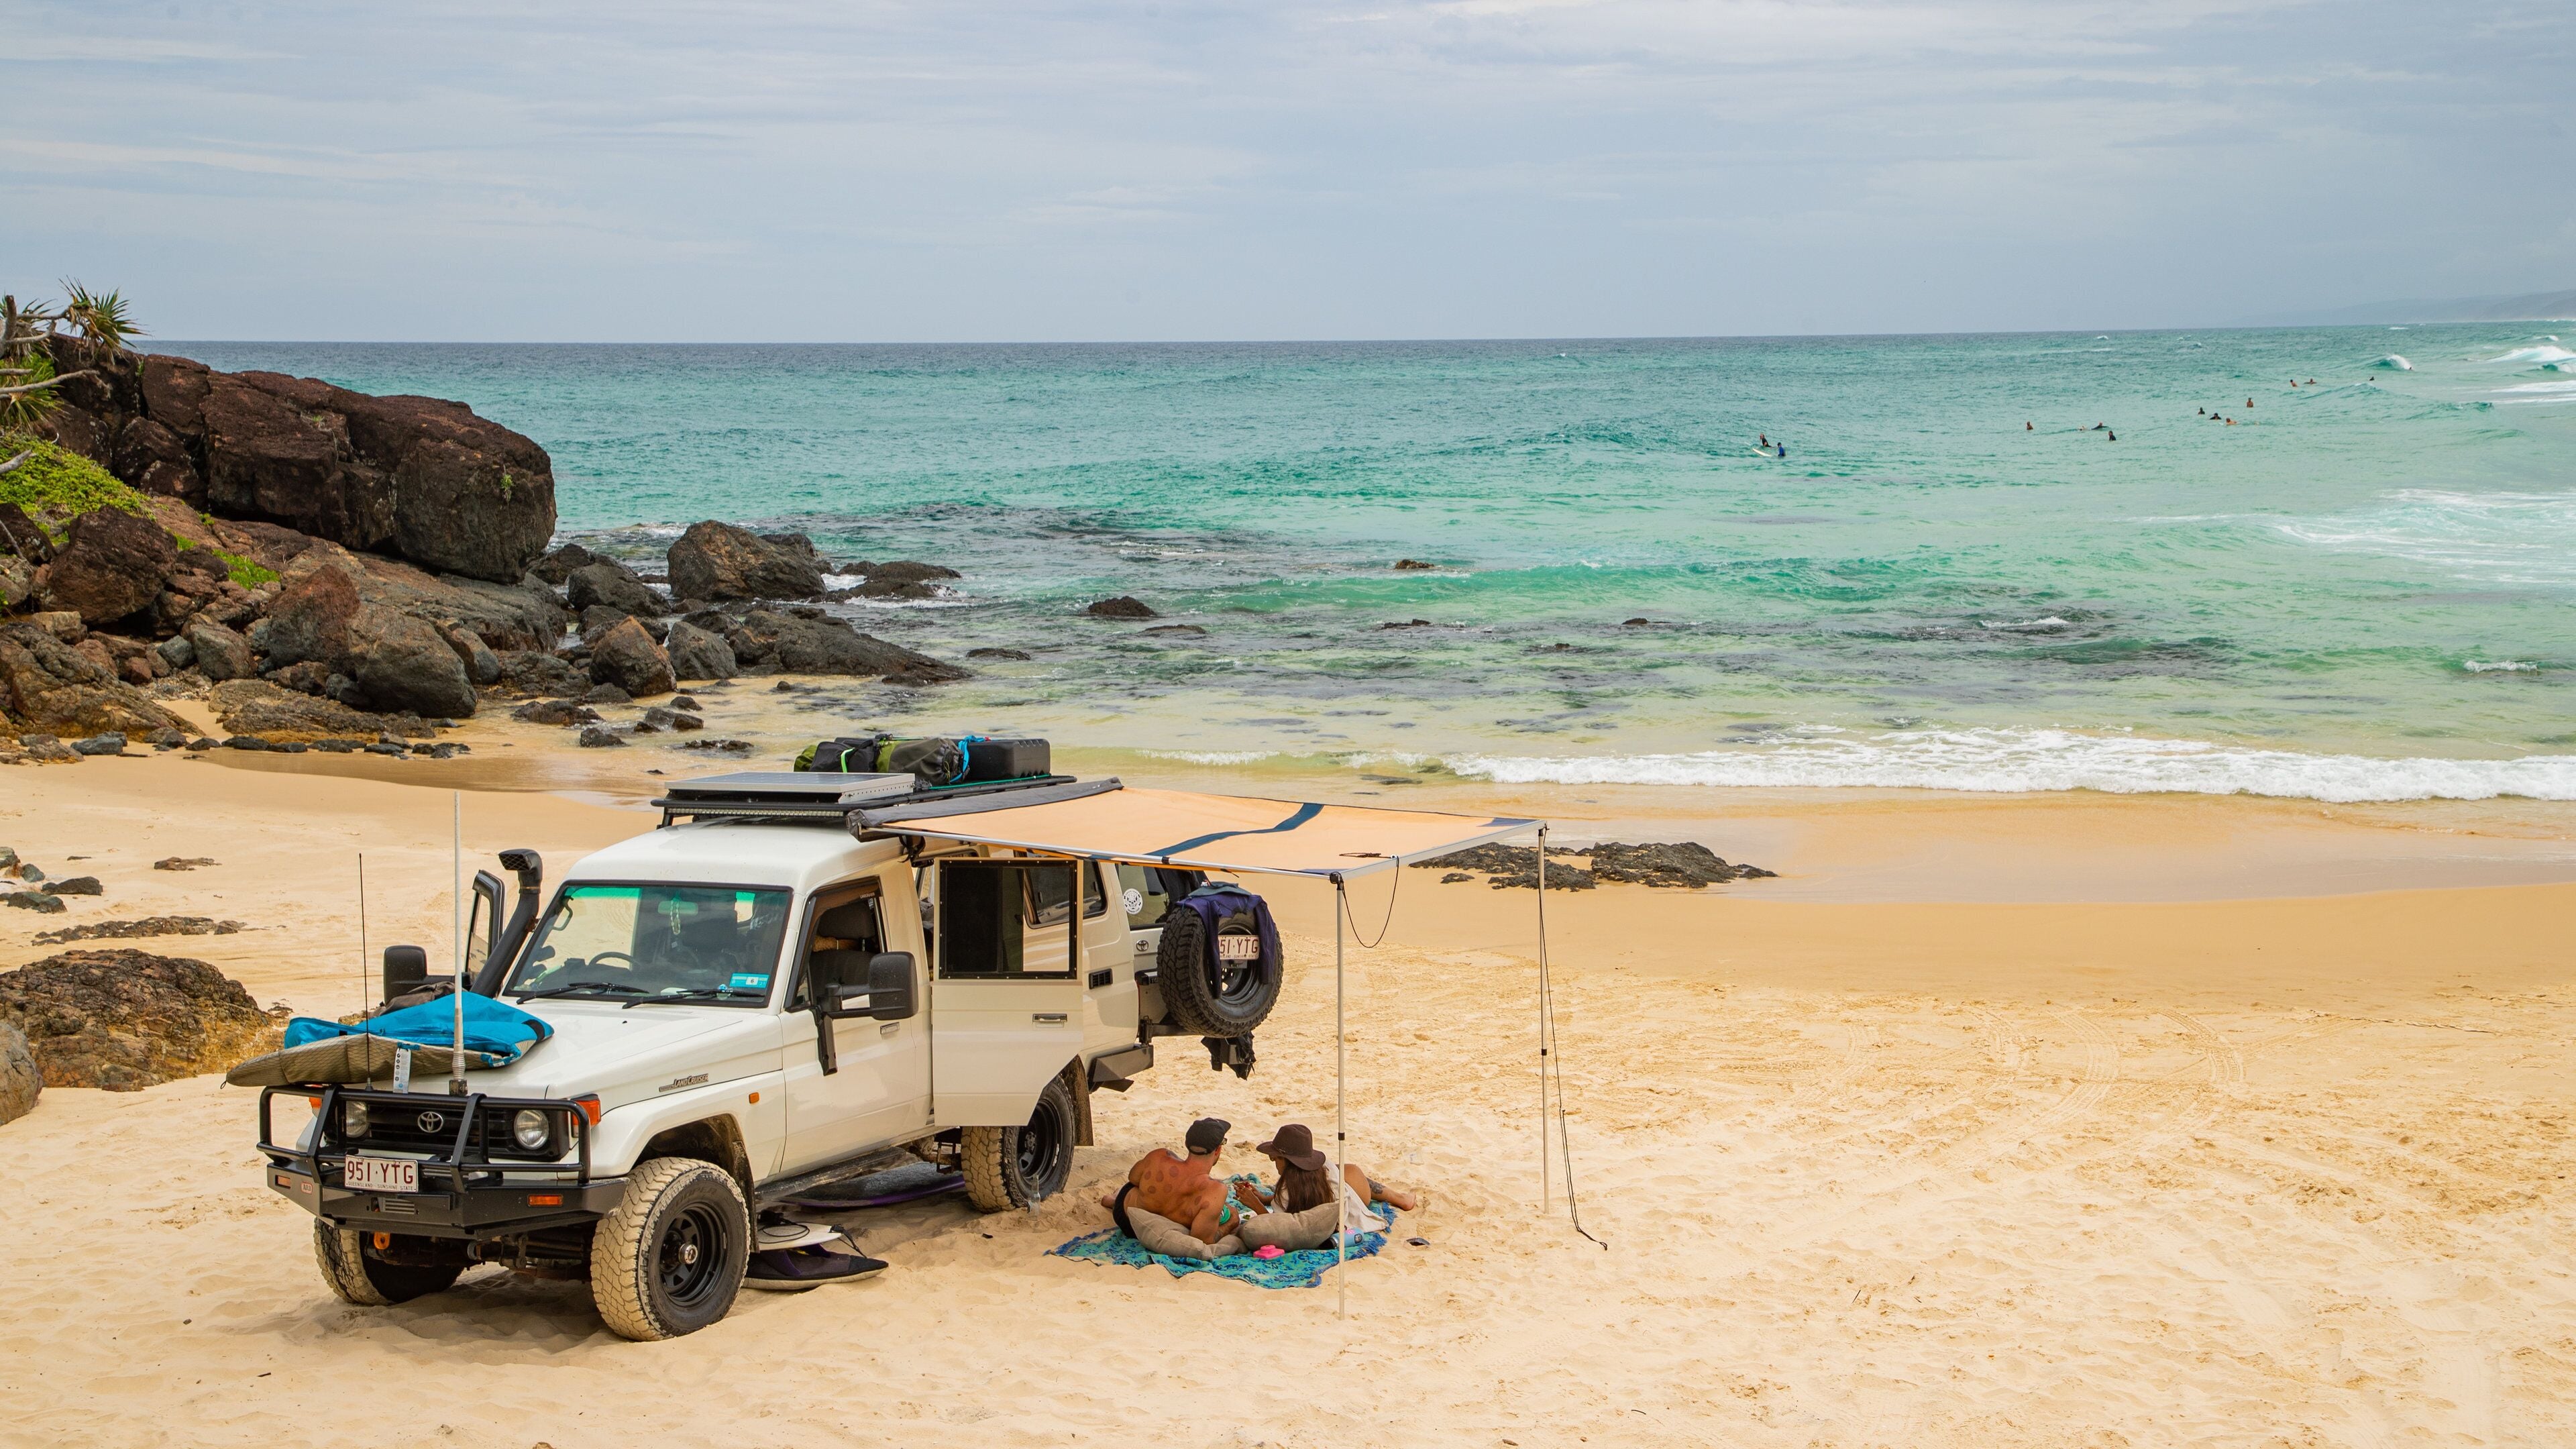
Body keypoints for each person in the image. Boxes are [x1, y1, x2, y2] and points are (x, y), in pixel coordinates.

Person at [1099, 1116, 1268, 1244]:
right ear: (1218, 1150)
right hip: (1163, 1224)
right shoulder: (1215, 1190)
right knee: (1228, 1213)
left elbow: (1133, 1178)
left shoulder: (1159, 1156)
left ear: (1187, 1144)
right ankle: (1114, 1199)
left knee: (1135, 1188)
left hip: (1125, 1219)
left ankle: (1114, 1200)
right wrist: (1232, 1222)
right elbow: (1203, 1240)